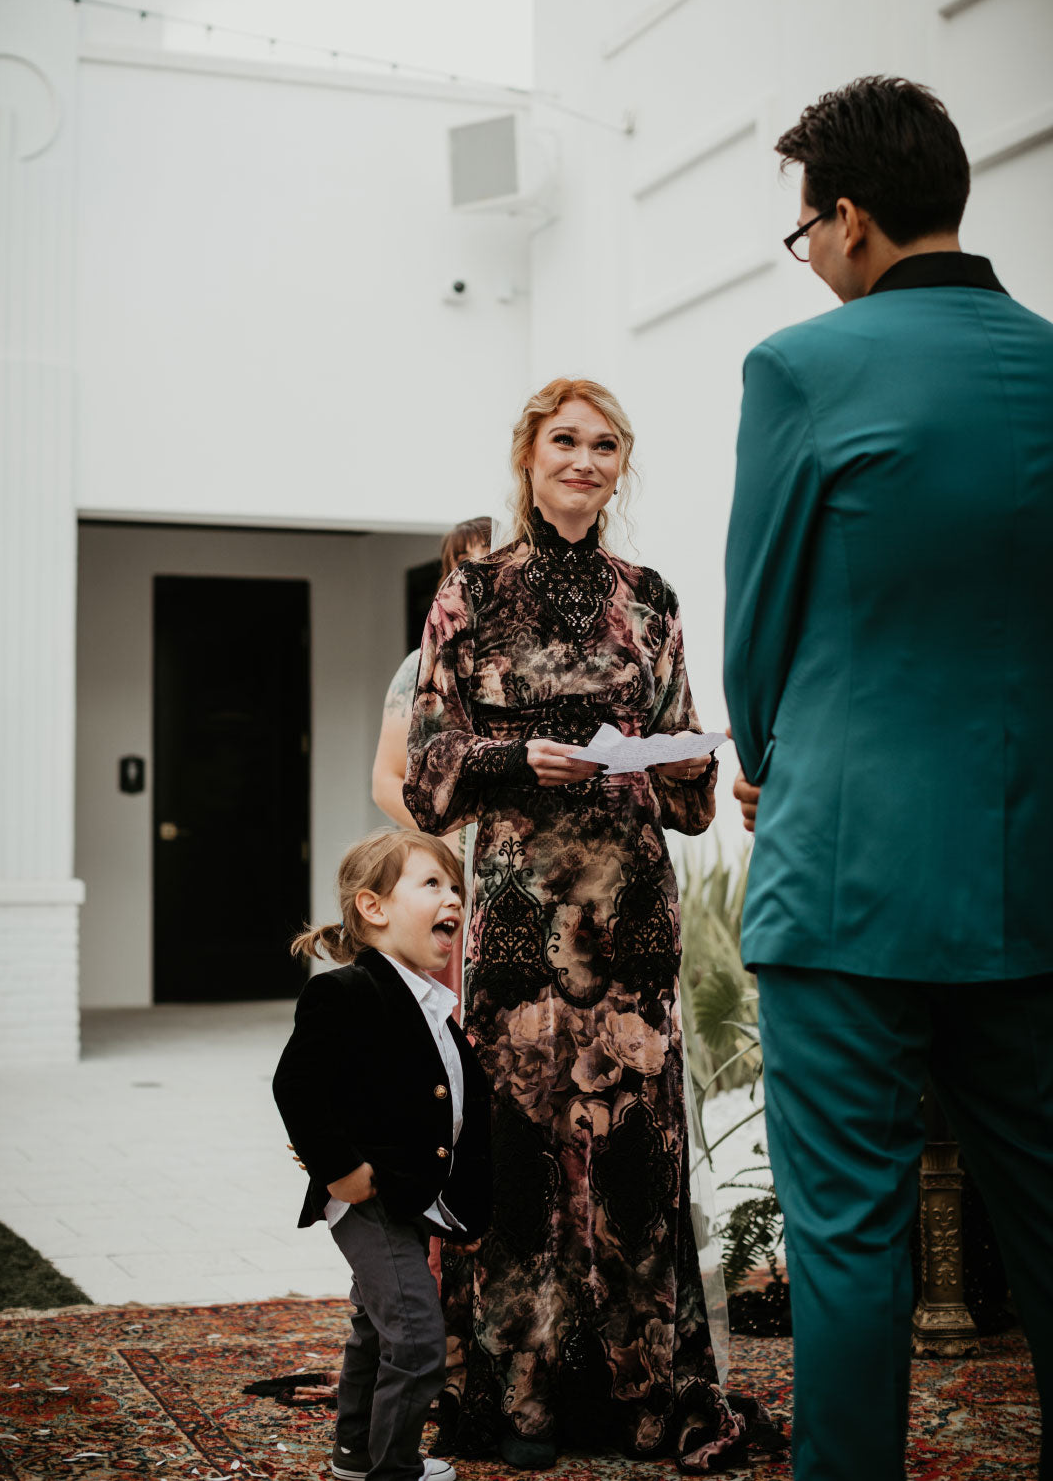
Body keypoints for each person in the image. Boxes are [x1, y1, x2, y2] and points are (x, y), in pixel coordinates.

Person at [723, 76, 1053, 1481]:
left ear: (847, 220)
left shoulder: (804, 368)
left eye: (805, 232)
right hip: (1031, 875)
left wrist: (770, 766)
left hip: (848, 874)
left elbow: (756, 629)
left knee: (852, 1244)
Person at [404, 378, 779, 1474]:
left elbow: (688, 792)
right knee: (518, 1161)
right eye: (564, 440)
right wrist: (519, 757)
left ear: (622, 466)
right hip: (523, 921)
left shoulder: (650, 595)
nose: (585, 459)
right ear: (529, 456)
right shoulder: (469, 594)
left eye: (605, 444)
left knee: (632, 1165)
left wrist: (689, 761)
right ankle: (520, 1404)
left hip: (631, 919)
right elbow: (429, 770)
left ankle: (642, 1398)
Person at [272, 828, 492, 1481]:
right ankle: (391, 1467)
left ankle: (355, 1453)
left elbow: (455, 1111)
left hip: (410, 1196)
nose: (453, 896)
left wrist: (466, 1213)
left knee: (375, 1322)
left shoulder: (435, 1009)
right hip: (369, 1199)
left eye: (456, 887)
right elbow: (297, 1086)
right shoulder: (345, 993)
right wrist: (340, 1168)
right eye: (431, 884)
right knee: (417, 1340)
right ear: (374, 908)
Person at [372, 516, 492, 1001]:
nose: (480, 569)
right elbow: (385, 780)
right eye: (464, 562)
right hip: (461, 876)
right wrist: (453, 849)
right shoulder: (423, 665)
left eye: (492, 552)